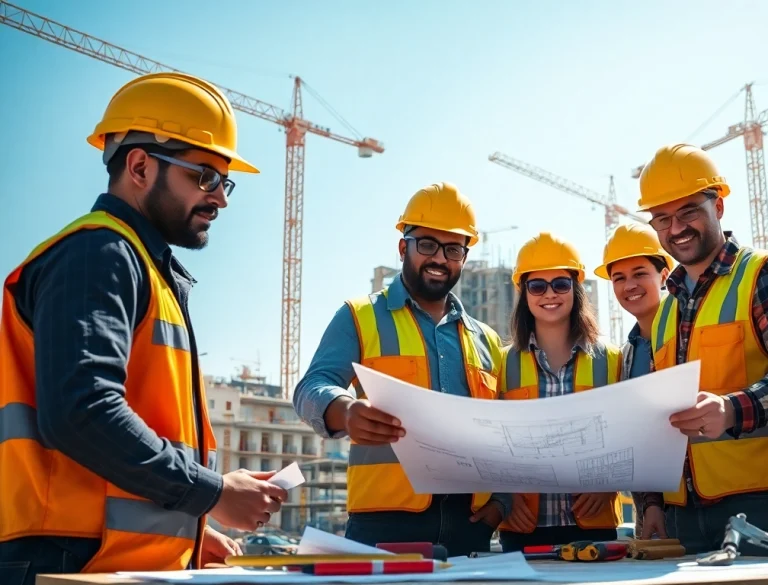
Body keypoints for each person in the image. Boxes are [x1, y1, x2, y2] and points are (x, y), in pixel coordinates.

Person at [0, 72, 285, 584]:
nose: (220, 198)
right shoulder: (97, 254)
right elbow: (82, 413)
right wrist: (213, 493)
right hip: (69, 561)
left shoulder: (144, 269)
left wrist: (191, 527)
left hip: (104, 560)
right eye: (205, 177)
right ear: (139, 165)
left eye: (225, 182)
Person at [629, 144, 768, 555]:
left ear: (718, 206)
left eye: (688, 212)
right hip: (683, 514)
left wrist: (732, 409)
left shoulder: (764, 273)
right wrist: (651, 502)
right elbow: (656, 416)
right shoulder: (666, 311)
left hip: (763, 506)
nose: (676, 228)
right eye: (662, 219)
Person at [292, 183, 509, 557]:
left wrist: (501, 503)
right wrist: (343, 410)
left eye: (453, 248)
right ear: (402, 246)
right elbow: (311, 386)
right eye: (427, 244)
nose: (440, 258)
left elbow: (505, 433)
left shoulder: (487, 339)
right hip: (383, 523)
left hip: (471, 523)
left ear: (464, 257)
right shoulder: (359, 316)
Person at [495, 232, 623, 551]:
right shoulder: (500, 364)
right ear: (524, 294)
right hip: (523, 529)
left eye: (561, 284)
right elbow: (489, 444)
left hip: (594, 527)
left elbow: (630, 436)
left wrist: (610, 486)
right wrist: (505, 496)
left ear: (575, 289)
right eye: (537, 285)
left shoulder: (612, 360)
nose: (549, 294)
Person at [593, 223, 674, 538]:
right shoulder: (626, 356)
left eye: (640, 273)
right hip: (653, 511)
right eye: (619, 278)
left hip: (703, 502)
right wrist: (650, 505)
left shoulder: (687, 333)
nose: (629, 286)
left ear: (664, 276)